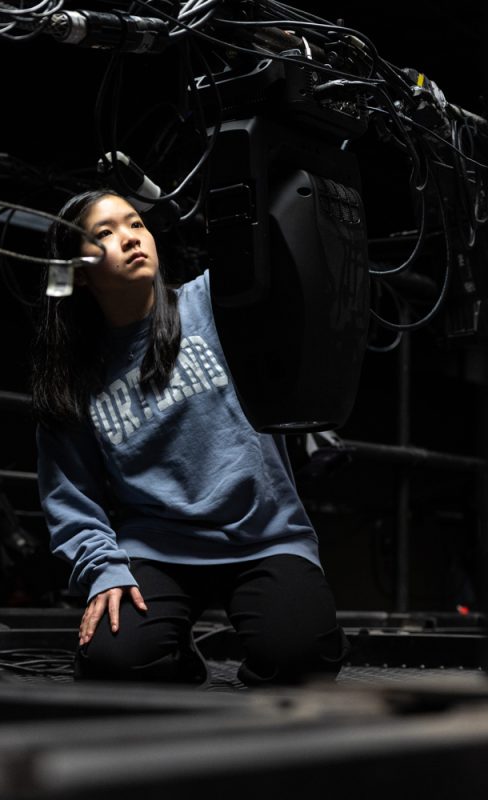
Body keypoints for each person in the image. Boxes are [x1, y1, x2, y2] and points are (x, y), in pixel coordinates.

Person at [31, 189, 348, 685]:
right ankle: (178, 657)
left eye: (135, 223)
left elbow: (268, 245)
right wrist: (103, 572)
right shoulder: (73, 377)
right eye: (106, 233)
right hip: (158, 545)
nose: (131, 238)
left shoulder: (215, 302)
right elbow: (71, 499)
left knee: (302, 659)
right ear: (78, 271)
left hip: (263, 533)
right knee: (114, 663)